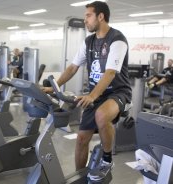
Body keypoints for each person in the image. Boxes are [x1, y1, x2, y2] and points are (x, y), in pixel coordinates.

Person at [42, 1, 132, 182]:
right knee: (82, 139)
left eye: (88, 16)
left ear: (101, 16)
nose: (85, 21)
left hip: (118, 92)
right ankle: (80, 178)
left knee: (101, 115)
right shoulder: (89, 41)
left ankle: (107, 160)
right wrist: (55, 87)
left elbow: (110, 73)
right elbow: (73, 67)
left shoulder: (117, 39)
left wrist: (92, 96)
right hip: (96, 94)